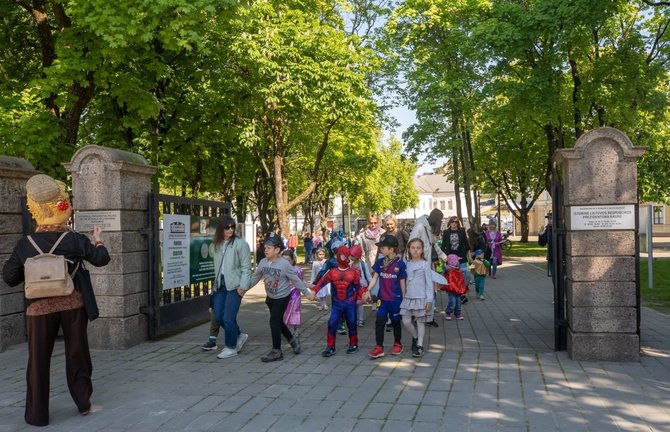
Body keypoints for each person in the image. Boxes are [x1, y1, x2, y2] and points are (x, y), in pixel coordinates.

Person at [2, 174, 111, 427]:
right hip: (72, 305)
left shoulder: (25, 244)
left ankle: (36, 415)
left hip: (37, 310)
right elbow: (101, 259)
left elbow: (9, 277)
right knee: (77, 354)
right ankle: (83, 403)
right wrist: (98, 239)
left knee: (38, 360)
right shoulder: (74, 240)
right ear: (62, 208)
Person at [249, 233, 312, 362]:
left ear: (277, 250)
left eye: (268, 248)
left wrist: (307, 293)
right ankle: (292, 340)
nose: (265, 250)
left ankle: (276, 351)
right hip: (270, 297)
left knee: (273, 321)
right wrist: (243, 289)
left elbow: (296, 280)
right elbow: (255, 277)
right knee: (278, 321)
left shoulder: (284, 264)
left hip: (282, 297)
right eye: (265, 247)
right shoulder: (263, 262)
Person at [202, 216, 252, 360]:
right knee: (218, 316)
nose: (230, 230)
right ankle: (239, 335)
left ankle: (231, 347)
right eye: (227, 227)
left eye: (232, 227)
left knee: (228, 318)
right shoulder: (216, 244)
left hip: (235, 285)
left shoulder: (240, 244)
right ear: (220, 229)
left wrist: (243, 286)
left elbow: (246, 267)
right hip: (220, 284)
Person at [309, 246, 370, 356]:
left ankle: (353, 344)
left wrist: (364, 295)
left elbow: (358, 287)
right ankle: (330, 346)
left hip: (350, 303)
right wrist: (314, 291)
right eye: (342, 256)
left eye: (346, 256)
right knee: (332, 323)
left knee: (352, 324)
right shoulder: (332, 273)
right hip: (337, 304)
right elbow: (321, 283)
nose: (344, 258)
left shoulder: (354, 273)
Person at [367, 235, 407, 359]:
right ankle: (379, 346)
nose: (381, 250)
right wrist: (368, 290)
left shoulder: (400, 264)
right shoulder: (380, 262)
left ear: (391, 249)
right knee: (379, 321)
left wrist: (404, 299)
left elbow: (402, 282)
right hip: (382, 299)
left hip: (396, 300)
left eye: (383, 248)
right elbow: (375, 277)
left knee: (395, 322)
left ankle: (397, 343)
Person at [408, 208, 447, 328]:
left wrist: (443, 256)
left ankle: (427, 317)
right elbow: (411, 244)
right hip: (418, 265)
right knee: (422, 292)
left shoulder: (429, 229)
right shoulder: (420, 227)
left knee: (430, 291)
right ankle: (419, 316)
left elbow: (433, 244)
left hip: (427, 264)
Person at [400, 238, 433, 357]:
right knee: (406, 321)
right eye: (413, 248)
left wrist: (429, 300)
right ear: (408, 249)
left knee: (420, 322)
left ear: (422, 250)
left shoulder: (425, 264)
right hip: (408, 298)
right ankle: (414, 337)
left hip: (421, 298)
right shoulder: (406, 264)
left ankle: (419, 345)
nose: (415, 250)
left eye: (418, 248)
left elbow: (429, 283)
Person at [281, 249, 304, 352]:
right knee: (284, 317)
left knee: (294, 317)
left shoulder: (297, 270)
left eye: (288, 261)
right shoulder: (280, 270)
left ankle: (295, 338)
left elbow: (301, 282)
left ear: (293, 260)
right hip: (283, 297)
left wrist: (312, 287)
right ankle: (288, 336)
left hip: (295, 297)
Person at [441, 216, 471, 288]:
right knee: (453, 275)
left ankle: (463, 290)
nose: (454, 223)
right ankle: (455, 290)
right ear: (450, 223)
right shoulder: (446, 232)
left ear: (458, 223)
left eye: (456, 222)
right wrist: (443, 257)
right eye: (452, 221)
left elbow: (467, 245)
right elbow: (443, 246)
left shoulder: (462, 231)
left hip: (461, 256)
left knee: (464, 274)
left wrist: (469, 257)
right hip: (450, 257)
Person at [349, 244, 372, 327]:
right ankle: (355, 319)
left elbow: (368, 275)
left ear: (357, 256)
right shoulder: (350, 265)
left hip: (361, 287)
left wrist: (370, 287)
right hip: (352, 288)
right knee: (353, 304)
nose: (351, 257)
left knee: (360, 304)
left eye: (353, 256)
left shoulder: (362, 265)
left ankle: (361, 319)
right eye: (350, 255)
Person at [444, 254, 467, 320]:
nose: (459, 262)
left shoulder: (458, 269)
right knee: (452, 302)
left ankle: (458, 314)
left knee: (458, 303)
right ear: (454, 262)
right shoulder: (448, 270)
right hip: (451, 290)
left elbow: (462, 275)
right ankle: (448, 312)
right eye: (457, 261)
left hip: (458, 289)